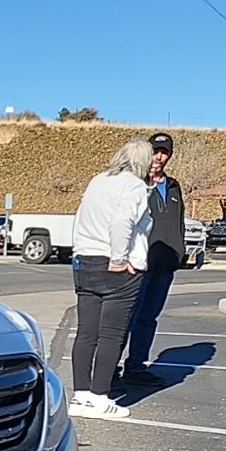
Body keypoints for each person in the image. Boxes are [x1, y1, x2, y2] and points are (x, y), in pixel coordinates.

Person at [69, 139, 153, 418]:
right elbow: (122, 221)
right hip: (115, 266)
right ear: (143, 162)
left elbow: (81, 217)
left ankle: (80, 396)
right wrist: (119, 258)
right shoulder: (134, 186)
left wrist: (80, 253)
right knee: (112, 335)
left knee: (86, 332)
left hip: (85, 261)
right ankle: (100, 396)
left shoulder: (98, 180)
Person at [119, 132, 184, 385]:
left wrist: (179, 252)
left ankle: (136, 366)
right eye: (155, 151)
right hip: (139, 264)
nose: (159, 157)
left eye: (164, 152)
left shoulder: (173, 186)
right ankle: (110, 369)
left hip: (165, 265)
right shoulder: (136, 184)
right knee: (128, 317)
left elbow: (177, 221)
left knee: (148, 318)